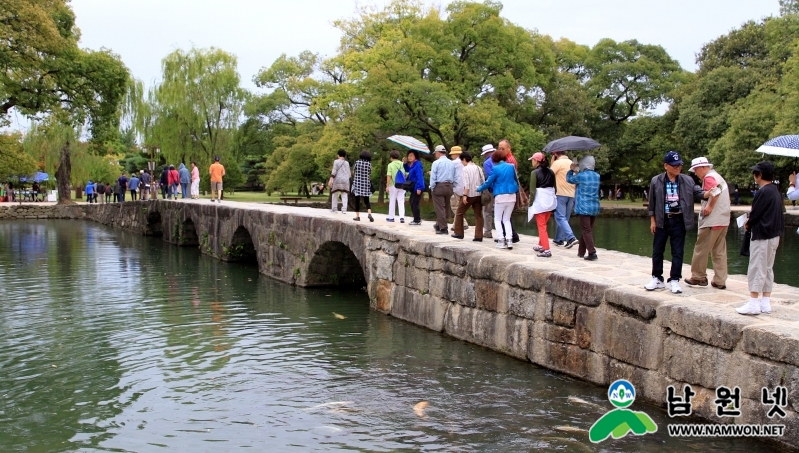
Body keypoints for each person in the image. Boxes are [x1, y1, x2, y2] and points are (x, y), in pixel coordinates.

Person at [644, 151, 704, 294]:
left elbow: (699, 192)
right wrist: (653, 220)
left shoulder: (687, 180)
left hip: (679, 219)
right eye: (675, 165)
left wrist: (709, 194)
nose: (678, 168)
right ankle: (657, 277)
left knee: (678, 251)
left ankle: (675, 279)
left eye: (680, 165)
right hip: (662, 219)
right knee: (657, 250)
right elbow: (652, 203)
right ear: (666, 166)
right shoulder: (656, 180)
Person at [737, 161, 784, 315]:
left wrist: (748, 223)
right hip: (774, 235)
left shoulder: (763, 192)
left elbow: (756, 214)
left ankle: (753, 302)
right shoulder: (775, 191)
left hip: (762, 236)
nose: (754, 176)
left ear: (760, 175)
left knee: (757, 267)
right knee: (768, 268)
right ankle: (765, 302)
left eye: (755, 173)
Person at [684, 157, 731, 289]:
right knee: (719, 250)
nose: (695, 172)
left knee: (701, 248)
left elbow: (715, 192)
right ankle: (720, 280)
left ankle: (698, 276)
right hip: (723, 220)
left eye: (696, 169)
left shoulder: (709, 178)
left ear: (703, 167)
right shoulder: (718, 176)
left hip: (712, 220)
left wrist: (709, 207)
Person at [477, 146, 518, 249]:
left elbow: (488, 182)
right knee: (507, 219)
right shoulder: (511, 166)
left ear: (495, 158)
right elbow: (515, 180)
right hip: (512, 195)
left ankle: (501, 240)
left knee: (498, 219)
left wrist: (478, 189)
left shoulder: (495, 168)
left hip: (500, 195)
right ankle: (509, 240)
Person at [567, 155, 601, 261]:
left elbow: (569, 179)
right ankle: (581, 252)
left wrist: (571, 170)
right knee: (586, 229)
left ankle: (592, 253)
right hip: (594, 207)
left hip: (583, 207)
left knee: (586, 230)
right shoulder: (597, 176)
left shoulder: (582, 176)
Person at [528, 152, 557, 257]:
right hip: (550, 202)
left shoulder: (534, 173)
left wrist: (530, 203)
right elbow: (555, 188)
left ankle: (547, 250)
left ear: (536, 161)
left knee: (541, 226)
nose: (532, 162)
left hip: (540, 202)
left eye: (532, 160)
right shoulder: (551, 172)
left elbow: (532, 191)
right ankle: (541, 245)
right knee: (544, 224)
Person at [451, 151, 484, 241]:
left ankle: (459, 233)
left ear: (464, 159)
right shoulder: (478, 168)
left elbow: (467, 184)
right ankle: (478, 236)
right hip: (478, 194)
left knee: (459, 212)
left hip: (469, 195)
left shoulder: (466, 169)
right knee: (478, 215)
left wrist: (464, 195)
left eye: (462, 161)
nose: (462, 163)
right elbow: (483, 181)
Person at [551, 150, 579, 249]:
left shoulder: (557, 163)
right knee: (565, 218)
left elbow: (549, 175)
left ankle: (571, 237)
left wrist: (552, 163)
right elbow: (576, 179)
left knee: (559, 217)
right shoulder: (573, 163)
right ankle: (559, 239)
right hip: (571, 194)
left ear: (555, 155)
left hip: (560, 193)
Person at [430, 145, 455, 234]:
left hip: (439, 186)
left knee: (440, 208)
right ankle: (438, 224)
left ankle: (443, 228)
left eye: (435, 153)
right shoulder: (452, 163)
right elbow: (454, 176)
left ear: (438, 153)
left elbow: (433, 177)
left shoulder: (436, 163)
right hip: (450, 186)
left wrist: (432, 187)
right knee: (446, 206)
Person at [448, 146, 469, 232]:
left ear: (456, 154)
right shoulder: (465, 162)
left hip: (457, 187)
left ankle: (462, 223)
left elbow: (450, 175)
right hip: (466, 187)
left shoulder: (454, 163)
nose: (451, 156)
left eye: (452, 154)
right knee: (459, 206)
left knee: (455, 206)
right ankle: (456, 224)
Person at [351, 150, 374, 222]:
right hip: (366, 184)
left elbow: (353, 172)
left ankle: (357, 216)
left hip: (357, 184)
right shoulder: (369, 164)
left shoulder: (357, 163)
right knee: (367, 200)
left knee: (357, 201)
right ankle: (369, 213)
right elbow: (369, 173)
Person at [404, 150, 425, 225]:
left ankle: (417, 220)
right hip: (413, 187)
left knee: (414, 203)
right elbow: (408, 170)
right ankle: (416, 218)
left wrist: (419, 187)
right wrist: (405, 164)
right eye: (408, 156)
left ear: (415, 156)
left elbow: (420, 177)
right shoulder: (413, 164)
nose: (409, 157)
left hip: (417, 187)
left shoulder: (418, 164)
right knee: (412, 202)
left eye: (411, 155)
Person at [480, 144, 497, 238]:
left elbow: (490, 177)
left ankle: (487, 231)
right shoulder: (501, 160)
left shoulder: (487, 162)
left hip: (492, 190)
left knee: (487, 211)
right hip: (502, 190)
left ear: (486, 153)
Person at [385, 150, 406, 222]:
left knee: (392, 200)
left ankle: (391, 217)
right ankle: (402, 217)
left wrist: (387, 186)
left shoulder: (390, 165)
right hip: (402, 185)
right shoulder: (402, 164)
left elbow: (389, 176)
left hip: (393, 185)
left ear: (391, 157)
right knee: (401, 200)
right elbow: (406, 174)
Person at [328, 149, 351, 214]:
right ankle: (344, 209)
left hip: (337, 180)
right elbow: (349, 173)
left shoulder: (336, 161)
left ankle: (334, 208)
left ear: (338, 155)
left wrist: (331, 179)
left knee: (335, 193)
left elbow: (334, 171)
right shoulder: (347, 163)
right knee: (344, 194)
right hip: (345, 180)